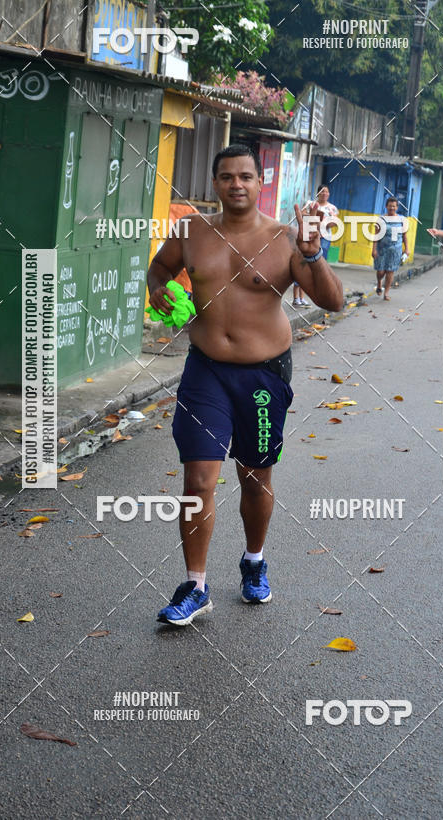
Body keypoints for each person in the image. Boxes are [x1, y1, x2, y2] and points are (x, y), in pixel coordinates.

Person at [147, 143, 343, 626]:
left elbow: (333, 301)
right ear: (215, 183)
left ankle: (254, 561)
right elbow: (160, 268)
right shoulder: (191, 231)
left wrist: (313, 254)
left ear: (260, 184)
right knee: (198, 479)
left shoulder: (284, 240)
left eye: (246, 177)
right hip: (205, 371)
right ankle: (195, 585)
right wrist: (158, 290)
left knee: (255, 479)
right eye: (227, 176)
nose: (236, 184)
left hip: (262, 376)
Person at [371, 196, 408, 300]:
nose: (392, 208)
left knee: (390, 271)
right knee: (381, 271)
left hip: (396, 250)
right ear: (386, 206)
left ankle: (386, 293)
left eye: (394, 206)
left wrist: (407, 249)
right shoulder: (381, 219)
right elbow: (376, 235)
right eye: (390, 206)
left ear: (397, 207)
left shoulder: (402, 219)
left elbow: (404, 235)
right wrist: (373, 249)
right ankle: (379, 283)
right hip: (381, 249)